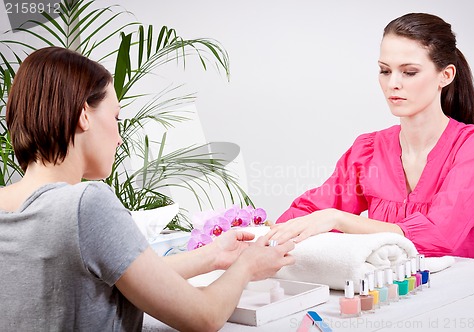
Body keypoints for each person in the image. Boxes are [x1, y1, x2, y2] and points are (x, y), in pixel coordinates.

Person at [0, 46, 295, 331]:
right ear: (84, 115)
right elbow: (204, 317)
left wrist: (214, 256)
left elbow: (128, 272)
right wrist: (245, 267)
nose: (118, 138)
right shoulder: (86, 204)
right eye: (116, 118)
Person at [268, 13, 474, 261]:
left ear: (446, 75)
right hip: (395, 294)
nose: (393, 84)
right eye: (385, 71)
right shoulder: (368, 150)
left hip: (466, 294)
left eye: (409, 72)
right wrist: (261, 236)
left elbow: (438, 237)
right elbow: (311, 211)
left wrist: (338, 218)